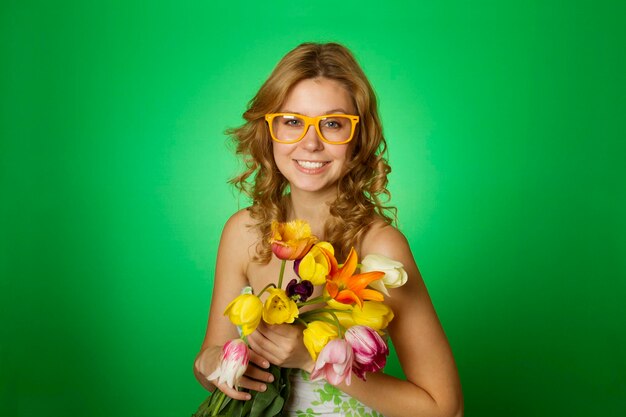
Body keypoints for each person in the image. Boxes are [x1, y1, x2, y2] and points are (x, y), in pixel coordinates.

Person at [193, 42, 463, 417]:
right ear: (269, 131)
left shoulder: (380, 248)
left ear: (358, 137)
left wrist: (312, 357)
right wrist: (210, 365)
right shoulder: (244, 233)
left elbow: (444, 408)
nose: (311, 142)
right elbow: (210, 362)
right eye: (292, 121)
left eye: (333, 124)